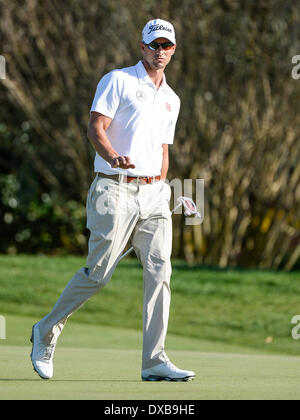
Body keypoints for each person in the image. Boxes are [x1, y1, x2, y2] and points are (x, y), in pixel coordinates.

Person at [30, 18, 195, 382]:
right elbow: (95, 127)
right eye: (154, 45)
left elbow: (162, 149)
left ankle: (154, 360)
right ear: (142, 47)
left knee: (160, 273)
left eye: (166, 46)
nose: (160, 51)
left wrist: (166, 188)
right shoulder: (118, 80)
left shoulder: (172, 99)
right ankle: (45, 330)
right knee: (99, 274)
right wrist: (112, 156)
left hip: (154, 195)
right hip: (114, 188)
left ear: (173, 50)